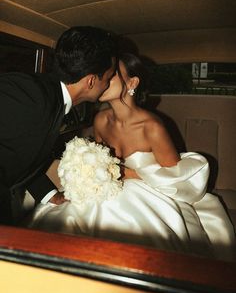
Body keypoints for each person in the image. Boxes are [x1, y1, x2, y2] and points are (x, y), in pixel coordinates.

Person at [27, 53, 235, 261]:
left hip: (148, 190)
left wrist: (126, 173)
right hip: (106, 188)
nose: (103, 77)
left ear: (132, 82)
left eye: (113, 74)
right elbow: (99, 161)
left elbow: (177, 177)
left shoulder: (152, 127)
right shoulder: (100, 120)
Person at [0, 26, 117, 225]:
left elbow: (16, 150)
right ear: (90, 81)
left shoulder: (51, 97)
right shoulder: (29, 96)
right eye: (108, 78)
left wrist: (48, 194)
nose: (108, 84)